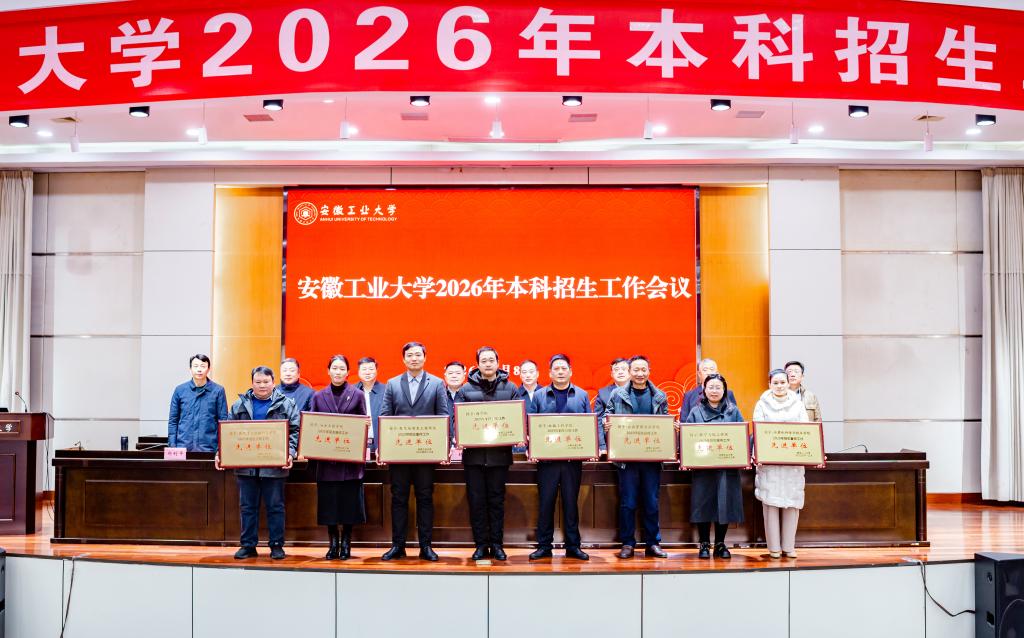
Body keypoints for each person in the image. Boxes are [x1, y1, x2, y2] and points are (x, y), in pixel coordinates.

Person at [217, 366, 300, 560]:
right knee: (247, 507)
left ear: (273, 382)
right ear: (252, 383)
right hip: (246, 467)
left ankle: (277, 545)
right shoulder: (239, 405)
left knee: (275, 507)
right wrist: (221, 453)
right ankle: (248, 545)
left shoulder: (287, 404)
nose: (262, 385)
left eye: (266, 382)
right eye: (258, 382)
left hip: (275, 467)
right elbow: (228, 433)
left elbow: (295, 431)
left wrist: (290, 453)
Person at [379, 342, 450, 561]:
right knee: (398, 499)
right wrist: (383, 448)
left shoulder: (436, 383)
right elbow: (385, 416)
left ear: (425, 358)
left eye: (418, 355)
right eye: (410, 355)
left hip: (425, 454)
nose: (414, 358)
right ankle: (398, 545)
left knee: (425, 498)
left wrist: (443, 448)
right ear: (403, 359)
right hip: (398, 454)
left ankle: (425, 546)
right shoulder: (392, 384)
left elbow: (443, 417)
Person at [452, 346, 519, 561]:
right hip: (474, 458)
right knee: (477, 502)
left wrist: (517, 433)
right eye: (484, 360)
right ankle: (481, 545)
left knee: (497, 502)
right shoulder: (465, 390)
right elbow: (456, 420)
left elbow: (517, 419)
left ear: (498, 363)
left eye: (491, 360)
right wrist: (459, 435)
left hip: (499, 457)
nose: (488, 364)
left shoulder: (511, 388)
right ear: (477, 364)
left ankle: (497, 545)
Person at [603, 355, 669, 559]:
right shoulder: (618, 394)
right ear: (630, 372)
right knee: (628, 503)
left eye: (643, 370)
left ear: (649, 371)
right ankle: (627, 543)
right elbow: (608, 415)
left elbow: (665, 422)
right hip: (626, 460)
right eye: (636, 370)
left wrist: (671, 428)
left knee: (651, 503)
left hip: (652, 460)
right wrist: (607, 424)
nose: (640, 373)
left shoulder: (660, 395)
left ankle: (653, 543)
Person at [527, 354, 592, 561]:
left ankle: (573, 546)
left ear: (570, 371)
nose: (561, 372)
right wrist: (531, 448)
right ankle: (544, 546)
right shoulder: (539, 396)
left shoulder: (581, 395)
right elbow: (530, 425)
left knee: (571, 503)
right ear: (550, 373)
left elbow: (588, 426)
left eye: (564, 368)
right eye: (556, 369)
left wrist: (591, 448)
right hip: (547, 462)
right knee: (546, 503)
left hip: (572, 461)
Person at [309, 355, 368, 560]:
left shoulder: (358, 395)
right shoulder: (318, 396)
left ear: (348, 372)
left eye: (342, 368)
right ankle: (333, 542)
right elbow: (313, 426)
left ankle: (346, 543)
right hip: (327, 463)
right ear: (328, 371)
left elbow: (362, 425)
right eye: (334, 368)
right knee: (329, 504)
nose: (338, 372)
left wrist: (365, 426)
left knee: (349, 505)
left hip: (349, 462)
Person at [684, 373, 745, 559]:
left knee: (724, 504)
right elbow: (687, 440)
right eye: (711, 387)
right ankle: (704, 543)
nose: (714, 391)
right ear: (704, 389)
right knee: (703, 504)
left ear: (724, 390)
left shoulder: (733, 411)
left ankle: (720, 543)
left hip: (727, 468)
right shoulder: (695, 412)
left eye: (718, 387)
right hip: (703, 468)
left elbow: (742, 437)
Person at [753, 368, 810, 559]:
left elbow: (805, 431)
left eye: (782, 382)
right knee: (770, 505)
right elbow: (758, 431)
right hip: (770, 463)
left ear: (788, 383)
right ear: (769, 384)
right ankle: (774, 548)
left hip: (792, 463)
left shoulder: (798, 404)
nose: (779, 386)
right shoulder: (761, 404)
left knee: (792, 504)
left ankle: (789, 546)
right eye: (775, 383)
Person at [167, 354, 228, 452]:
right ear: (190, 369)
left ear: (208, 369)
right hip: (183, 448)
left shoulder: (218, 391)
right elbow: (173, 421)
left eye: (203, 366)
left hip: (209, 448)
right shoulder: (180, 390)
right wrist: (173, 447)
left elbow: (223, 422)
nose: (199, 369)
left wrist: (219, 450)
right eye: (195, 366)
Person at [593, 357, 630, 453]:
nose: (620, 372)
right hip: (611, 445)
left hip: (635, 441)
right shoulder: (603, 393)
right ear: (612, 374)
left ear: (630, 372)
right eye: (616, 370)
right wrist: (602, 446)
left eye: (623, 369)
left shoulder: (640, 392)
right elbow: (598, 421)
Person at [357, 357, 384, 452]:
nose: (367, 372)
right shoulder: (351, 392)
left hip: (380, 445)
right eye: (364, 369)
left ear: (376, 371)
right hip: (356, 444)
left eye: (371, 369)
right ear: (358, 372)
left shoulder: (387, 391)